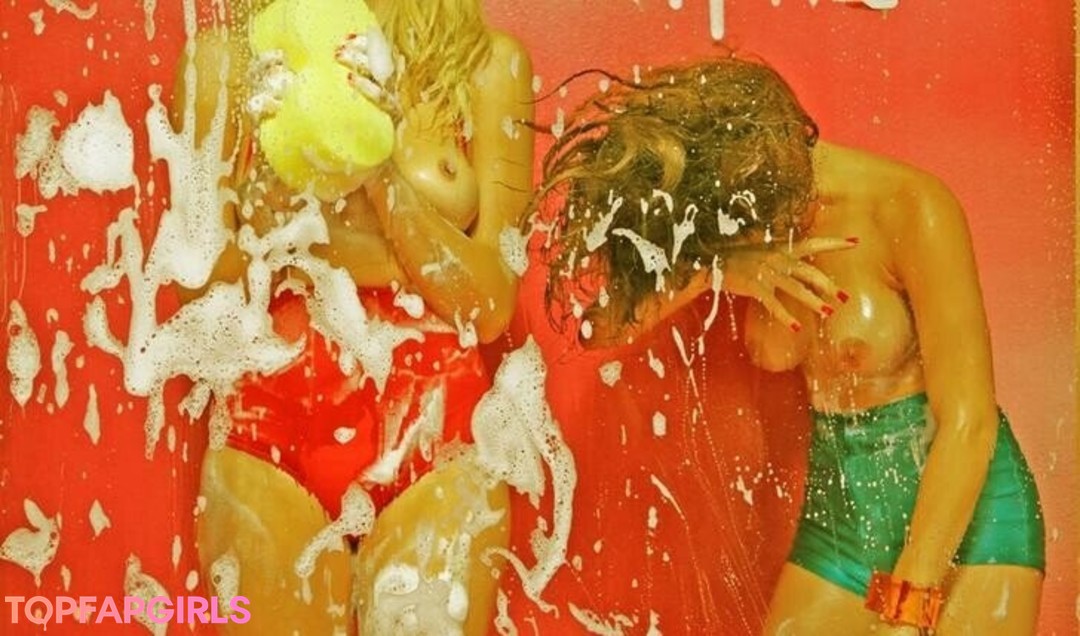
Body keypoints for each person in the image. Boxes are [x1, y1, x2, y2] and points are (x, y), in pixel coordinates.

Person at [533, 56, 1044, 635]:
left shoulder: (909, 205)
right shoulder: (739, 220)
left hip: (970, 524)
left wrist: (910, 607)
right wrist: (717, 270)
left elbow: (969, 423)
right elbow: (601, 329)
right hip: (843, 523)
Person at [171, 0, 534, 633]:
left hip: (436, 424)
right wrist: (279, 194)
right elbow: (198, 305)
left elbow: (490, 305)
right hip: (270, 419)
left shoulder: (484, 65)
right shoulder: (229, 63)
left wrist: (380, 171)